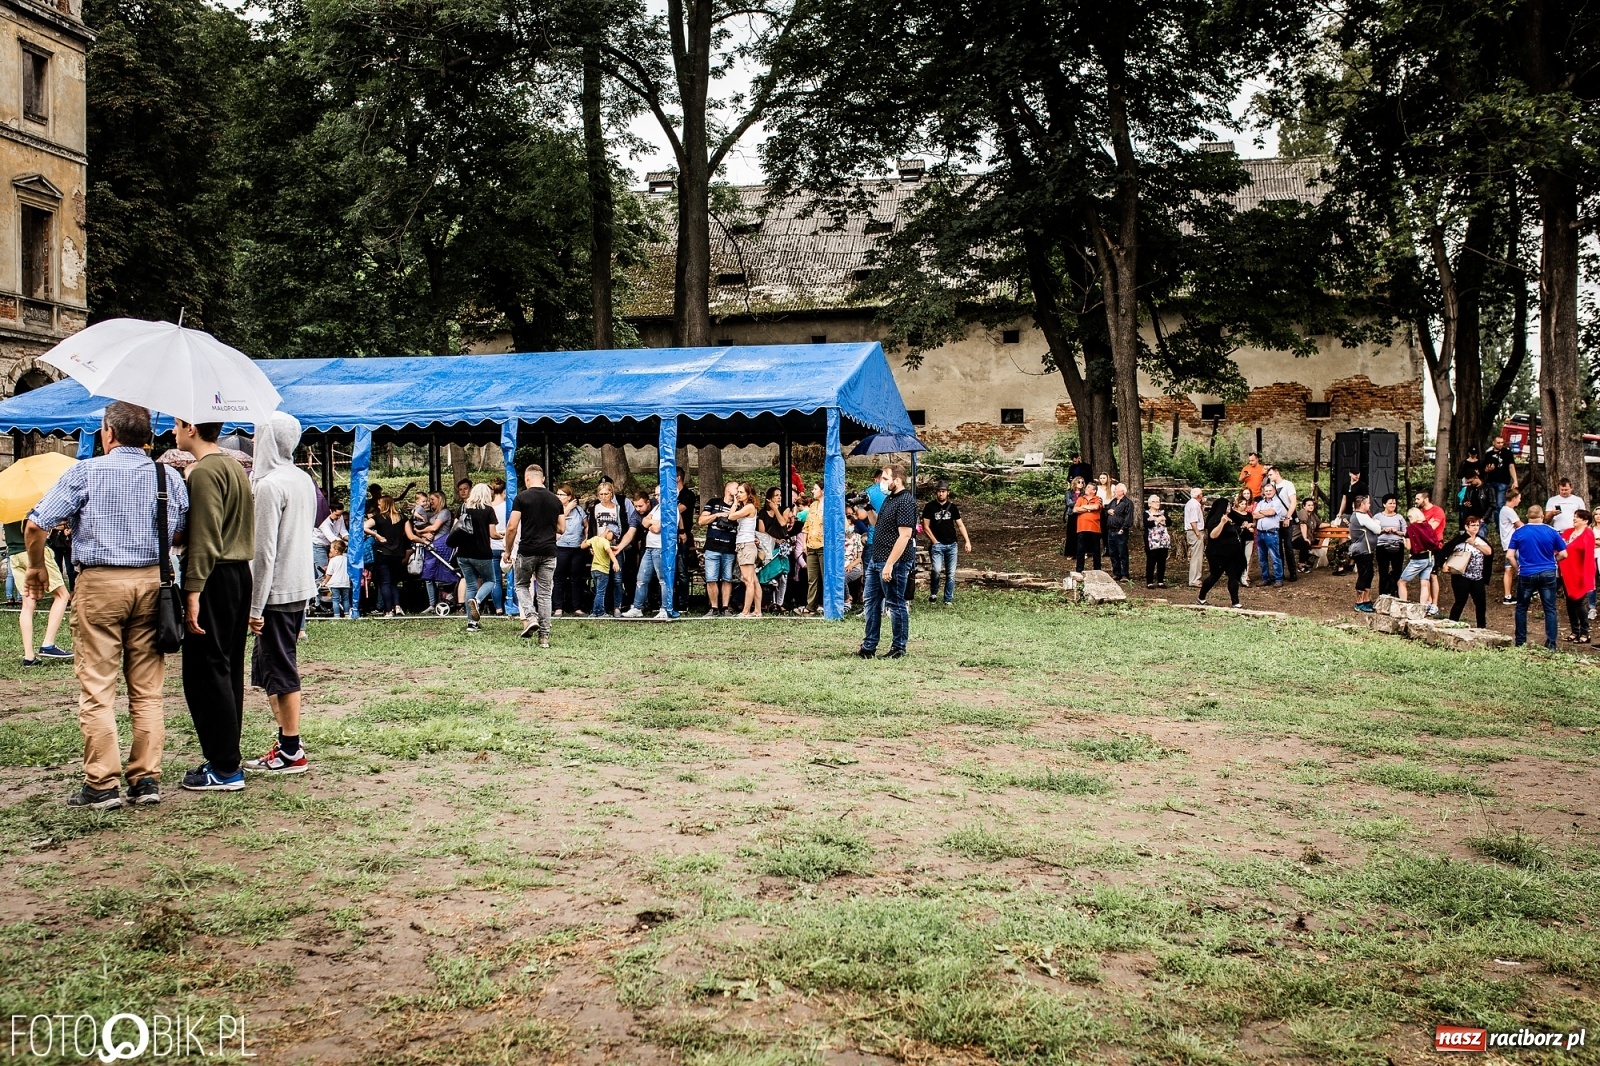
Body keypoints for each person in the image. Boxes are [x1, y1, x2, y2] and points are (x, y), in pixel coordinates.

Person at [25, 402, 188, 809]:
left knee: (98, 688)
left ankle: (101, 784)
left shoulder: (85, 471)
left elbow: (36, 523)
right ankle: (146, 779)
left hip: (99, 584)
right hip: (154, 582)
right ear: (148, 437)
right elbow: (182, 531)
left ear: (108, 434)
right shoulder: (167, 475)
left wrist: (35, 570)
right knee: (148, 691)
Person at [174, 417, 255, 794]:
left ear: (191, 427)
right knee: (226, 667)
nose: (173, 430)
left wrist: (192, 590)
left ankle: (224, 767)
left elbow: (205, 537)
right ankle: (225, 757)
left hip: (213, 577)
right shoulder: (234, 467)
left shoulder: (204, 472)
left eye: (176, 423)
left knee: (206, 671)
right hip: (238, 573)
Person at [241, 411, 317, 776]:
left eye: (257, 437)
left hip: (277, 592)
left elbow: (264, 550)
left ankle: (291, 749)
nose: (253, 444)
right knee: (269, 667)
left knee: (281, 667)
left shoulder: (269, 485)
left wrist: (255, 606)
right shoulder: (301, 478)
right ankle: (287, 743)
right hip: (298, 585)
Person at [857, 464, 916, 658]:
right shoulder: (890, 499)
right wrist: (867, 507)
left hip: (894, 562)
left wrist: (890, 563)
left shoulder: (906, 501)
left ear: (897, 481)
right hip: (877, 557)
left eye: (885, 479)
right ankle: (869, 646)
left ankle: (898, 647)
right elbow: (877, 523)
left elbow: (905, 536)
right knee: (871, 601)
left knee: (895, 603)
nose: (881, 483)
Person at [502, 464, 563, 647]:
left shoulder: (522, 498)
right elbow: (562, 528)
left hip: (527, 550)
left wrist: (507, 550)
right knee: (545, 594)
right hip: (549, 552)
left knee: (521, 585)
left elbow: (512, 527)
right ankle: (544, 637)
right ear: (542, 478)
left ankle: (530, 615)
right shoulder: (555, 500)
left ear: (527, 479)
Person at [5, 517, 71, 665]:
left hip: (14, 555)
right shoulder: (32, 499)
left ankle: (29, 656)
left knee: (27, 605)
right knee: (62, 596)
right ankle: (48, 644)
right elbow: (35, 527)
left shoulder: (7, 502)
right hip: (36, 552)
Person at [1507, 505, 1568, 650]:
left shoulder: (1519, 532)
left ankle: (1520, 641)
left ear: (1527, 517)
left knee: (1521, 607)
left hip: (1527, 572)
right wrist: (1553, 560)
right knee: (1550, 608)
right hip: (1548, 572)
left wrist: (1518, 568)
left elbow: (1509, 555)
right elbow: (1564, 554)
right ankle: (1551, 643)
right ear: (1542, 516)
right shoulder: (1551, 531)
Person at [452, 482, 499, 631]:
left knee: (470, 585)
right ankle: (477, 601)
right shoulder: (488, 510)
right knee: (491, 580)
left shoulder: (463, 508)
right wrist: (502, 535)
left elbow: (455, 528)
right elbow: (492, 533)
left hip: (463, 554)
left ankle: (472, 624)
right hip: (482, 553)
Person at [1196, 493, 1250, 608]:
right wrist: (1222, 523)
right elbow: (1213, 535)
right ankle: (1201, 597)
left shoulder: (1231, 518)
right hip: (1218, 554)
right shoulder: (1215, 519)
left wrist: (1242, 528)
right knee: (1214, 576)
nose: (1229, 508)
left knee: (1233, 576)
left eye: (1230, 506)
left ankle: (1235, 602)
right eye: (1227, 506)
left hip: (1232, 553)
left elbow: (1233, 532)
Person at [922, 482, 971, 605]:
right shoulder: (929, 507)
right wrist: (934, 541)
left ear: (948, 492)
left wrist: (967, 541)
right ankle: (933, 592)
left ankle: (948, 599)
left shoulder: (952, 507)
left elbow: (960, 524)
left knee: (951, 573)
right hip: (937, 545)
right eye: (939, 491)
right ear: (936, 493)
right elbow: (925, 526)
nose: (941, 493)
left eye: (943, 491)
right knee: (937, 570)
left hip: (952, 545)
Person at [623, 488, 668, 618]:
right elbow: (644, 522)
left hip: (660, 547)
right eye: (656, 494)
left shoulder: (669, 508)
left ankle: (664, 608)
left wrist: (651, 523)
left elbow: (657, 528)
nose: (656, 497)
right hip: (649, 547)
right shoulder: (656, 508)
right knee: (641, 579)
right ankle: (637, 607)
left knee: (663, 580)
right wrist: (651, 523)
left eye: (659, 494)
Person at [1443, 516, 1494, 628]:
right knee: (1460, 601)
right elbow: (1446, 551)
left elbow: (1489, 552)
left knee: (1481, 604)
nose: (1476, 527)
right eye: (1473, 525)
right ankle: (1451, 624)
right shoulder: (1459, 540)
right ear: (1467, 526)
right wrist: (1444, 563)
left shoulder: (1480, 540)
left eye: (1477, 525)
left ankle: (1482, 627)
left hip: (1477, 577)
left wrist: (1474, 543)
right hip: (1461, 576)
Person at [411, 490, 456, 614]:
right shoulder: (431, 514)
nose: (430, 502)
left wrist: (420, 532)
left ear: (440, 500)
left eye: (432, 500)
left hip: (440, 546)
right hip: (431, 546)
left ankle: (446, 598)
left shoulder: (444, 512)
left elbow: (435, 527)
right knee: (428, 574)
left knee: (442, 574)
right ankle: (432, 603)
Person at [699, 482, 738, 617]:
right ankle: (714, 608)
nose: (738, 491)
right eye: (735, 488)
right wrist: (717, 515)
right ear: (727, 489)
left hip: (729, 547)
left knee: (727, 578)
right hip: (713, 546)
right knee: (711, 578)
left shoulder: (739, 506)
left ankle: (726, 607)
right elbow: (701, 521)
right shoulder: (714, 502)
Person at [367, 494, 409, 615]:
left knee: (385, 583)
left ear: (384, 504)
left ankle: (388, 610)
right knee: (393, 582)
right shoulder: (402, 517)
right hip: (398, 554)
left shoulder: (379, 518)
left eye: (379, 504)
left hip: (383, 553)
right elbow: (410, 535)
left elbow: (364, 526)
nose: (378, 505)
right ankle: (397, 605)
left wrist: (377, 536)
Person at [755, 486, 794, 613]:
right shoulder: (762, 513)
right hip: (769, 545)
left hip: (782, 546)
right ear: (770, 497)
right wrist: (774, 540)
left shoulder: (785, 509)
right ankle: (769, 601)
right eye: (776, 495)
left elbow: (783, 523)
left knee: (783, 575)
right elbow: (762, 531)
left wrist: (776, 510)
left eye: (780, 495)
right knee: (770, 573)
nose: (779, 497)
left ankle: (780, 602)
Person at [1559, 509, 1595, 644]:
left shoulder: (1588, 534)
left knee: (1579, 601)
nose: (1574, 519)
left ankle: (1585, 632)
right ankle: (1575, 630)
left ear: (1585, 520)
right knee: (1569, 602)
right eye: (1574, 516)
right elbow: (1559, 546)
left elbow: (1589, 556)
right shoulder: (1568, 532)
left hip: (1579, 571)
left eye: (1578, 517)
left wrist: (1587, 575)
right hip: (1566, 571)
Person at [553, 483, 588, 616]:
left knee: (576, 578)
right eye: (557, 494)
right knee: (559, 578)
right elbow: (557, 523)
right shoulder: (556, 508)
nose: (558, 496)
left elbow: (586, 525)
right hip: (561, 547)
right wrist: (567, 508)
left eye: (561, 494)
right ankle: (558, 608)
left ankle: (577, 607)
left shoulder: (579, 510)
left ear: (569, 496)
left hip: (577, 548)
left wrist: (586, 538)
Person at [1397, 506, 1440, 613]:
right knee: (1424, 583)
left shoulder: (1411, 529)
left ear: (1412, 517)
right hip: (1430, 557)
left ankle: (1403, 606)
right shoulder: (1427, 526)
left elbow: (1409, 547)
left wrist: (1403, 539)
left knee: (1401, 582)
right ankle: (1422, 607)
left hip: (1418, 559)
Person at [729, 482, 761, 618]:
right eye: (738, 492)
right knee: (753, 579)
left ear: (749, 494)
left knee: (748, 580)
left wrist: (735, 503)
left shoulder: (749, 507)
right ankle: (758, 611)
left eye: (741, 492)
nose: (738, 494)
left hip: (745, 545)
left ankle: (746, 611)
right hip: (745, 544)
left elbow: (731, 516)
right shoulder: (747, 507)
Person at [311, 502, 347, 615]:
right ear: (330, 511)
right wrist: (344, 543)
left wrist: (350, 539)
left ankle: (330, 603)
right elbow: (332, 537)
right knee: (323, 574)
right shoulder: (323, 520)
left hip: (334, 546)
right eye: (336, 515)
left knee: (333, 572)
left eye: (340, 515)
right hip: (320, 546)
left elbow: (343, 532)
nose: (338, 517)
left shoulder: (339, 518)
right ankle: (318, 603)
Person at [1348, 495, 1381, 612]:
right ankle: (1359, 602)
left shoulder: (1361, 516)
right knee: (1364, 574)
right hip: (1362, 550)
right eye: (1367, 503)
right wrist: (1376, 523)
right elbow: (1377, 529)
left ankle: (1367, 600)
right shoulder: (1361, 516)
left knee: (1369, 574)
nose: (1369, 505)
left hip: (1366, 550)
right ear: (1362, 505)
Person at [1252, 483, 1288, 586]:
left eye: (1270, 491)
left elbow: (1272, 512)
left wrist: (1262, 513)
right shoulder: (1261, 502)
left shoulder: (1277, 502)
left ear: (1274, 491)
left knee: (1275, 557)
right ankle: (1265, 578)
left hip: (1271, 533)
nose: (1268, 492)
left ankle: (1278, 579)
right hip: (1260, 533)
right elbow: (1255, 514)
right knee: (1262, 558)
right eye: (1266, 491)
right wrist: (1265, 512)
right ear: (1263, 492)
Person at [1267, 469, 1299, 584]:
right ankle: (1279, 573)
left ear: (1277, 473)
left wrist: (1288, 517)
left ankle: (1293, 571)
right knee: (1277, 547)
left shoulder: (1288, 485)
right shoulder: (1271, 486)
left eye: (1270, 474)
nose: (1269, 476)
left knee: (1288, 546)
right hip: (1275, 520)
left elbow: (1293, 502)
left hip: (1286, 519)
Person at [799, 482, 826, 615]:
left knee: (825, 576)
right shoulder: (813, 505)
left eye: (815, 489)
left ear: (823, 490)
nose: (813, 491)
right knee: (812, 577)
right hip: (811, 545)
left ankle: (827, 604)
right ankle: (811, 606)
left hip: (823, 546)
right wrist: (804, 543)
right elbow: (807, 525)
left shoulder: (829, 506)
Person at [1373, 495, 1407, 598]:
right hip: (1382, 546)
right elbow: (1373, 531)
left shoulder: (1399, 517)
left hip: (1397, 545)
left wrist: (1397, 532)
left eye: (1394, 503)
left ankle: (1395, 592)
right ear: (1384, 504)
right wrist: (1383, 530)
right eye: (1390, 503)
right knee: (1383, 571)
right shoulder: (1377, 517)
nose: (1393, 505)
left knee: (1397, 570)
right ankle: (1383, 594)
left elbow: (1406, 532)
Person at [489, 476, 513, 617]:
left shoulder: (489, 507)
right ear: (504, 491)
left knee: (496, 580)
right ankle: (511, 604)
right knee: (511, 577)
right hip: (506, 546)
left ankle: (498, 608)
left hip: (492, 546)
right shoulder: (508, 507)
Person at [587, 525, 622, 617]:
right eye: (613, 536)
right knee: (601, 592)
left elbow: (583, 545)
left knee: (598, 591)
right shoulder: (605, 542)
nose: (613, 539)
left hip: (594, 569)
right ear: (608, 532)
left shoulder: (595, 539)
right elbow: (609, 552)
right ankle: (601, 612)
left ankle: (595, 612)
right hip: (603, 570)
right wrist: (616, 562)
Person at [1104, 482, 1134, 581]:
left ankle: (1125, 574)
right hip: (1110, 531)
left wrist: (1123, 528)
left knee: (1122, 553)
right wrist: (1107, 511)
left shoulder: (1127, 503)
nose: (1114, 491)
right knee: (1113, 553)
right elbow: (1105, 509)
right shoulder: (1113, 501)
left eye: (1116, 489)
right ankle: (1116, 573)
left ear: (1122, 491)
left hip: (1120, 531)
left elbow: (1128, 518)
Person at [1499, 488, 1524, 604]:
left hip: (1508, 543)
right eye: (1519, 498)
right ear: (1514, 498)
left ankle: (1507, 595)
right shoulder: (1508, 511)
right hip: (1513, 544)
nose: (1520, 500)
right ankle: (1527, 591)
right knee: (1522, 566)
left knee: (1509, 569)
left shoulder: (1505, 510)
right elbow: (1520, 526)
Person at [1072, 482, 1103, 573]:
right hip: (1082, 528)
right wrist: (1089, 508)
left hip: (1094, 528)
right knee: (1080, 550)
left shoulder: (1098, 498)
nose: (1086, 488)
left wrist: (1084, 507)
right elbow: (1075, 509)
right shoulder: (1081, 498)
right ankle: (1079, 570)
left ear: (1093, 490)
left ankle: (1097, 570)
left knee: (1096, 550)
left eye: (1089, 487)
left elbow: (1096, 506)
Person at [1483, 435, 1518, 513]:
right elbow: (1485, 469)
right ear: (1493, 443)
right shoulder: (1488, 454)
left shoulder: (1507, 453)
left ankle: (1500, 524)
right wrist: (1488, 469)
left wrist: (1515, 481)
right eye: (1498, 443)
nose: (1500, 444)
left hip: (1503, 481)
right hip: (1491, 481)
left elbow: (1511, 466)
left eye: (1502, 442)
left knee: (1500, 504)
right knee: (1491, 504)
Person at [1143, 494, 1170, 588]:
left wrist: (1156, 519)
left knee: (1162, 561)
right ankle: (1149, 582)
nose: (1157, 503)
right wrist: (1159, 520)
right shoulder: (1146, 513)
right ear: (1150, 504)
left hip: (1163, 540)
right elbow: (1148, 524)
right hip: (1152, 541)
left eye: (1158, 501)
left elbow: (1169, 522)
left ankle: (1160, 581)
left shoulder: (1163, 512)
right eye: (1155, 501)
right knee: (1151, 561)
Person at [323, 539, 352, 617]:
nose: (330, 550)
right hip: (345, 583)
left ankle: (337, 615)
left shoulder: (332, 560)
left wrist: (324, 582)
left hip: (335, 583)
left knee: (335, 600)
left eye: (331, 548)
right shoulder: (347, 559)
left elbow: (329, 574)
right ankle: (346, 614)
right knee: (346, 599)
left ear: (336, 551)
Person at [1183, 488, 1205, 587]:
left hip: (1194, 531)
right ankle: (1194, 579)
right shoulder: (1194, 505)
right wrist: (1197, 533)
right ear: (1198, 496)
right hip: (1195, 531)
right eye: (1201, 494)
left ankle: (1195, 578)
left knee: (1197, 556)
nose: (1202, 496)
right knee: (1197, 556)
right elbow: (1193, 521)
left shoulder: (1193, 504)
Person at [1293, 499, 1320, 573]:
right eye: (1309, 505)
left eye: (1312, 505)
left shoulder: (1313, 515)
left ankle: (1308, 559)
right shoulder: (1302, 513)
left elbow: (1319, 524)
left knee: (1315, 542)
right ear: (1304, 506)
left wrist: (1331, 525)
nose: (1311, 507)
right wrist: (1305, 538)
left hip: (1308, 537)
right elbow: (1303, 525)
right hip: (1295, 537)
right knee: (1305, 543)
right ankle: (1301, 565)